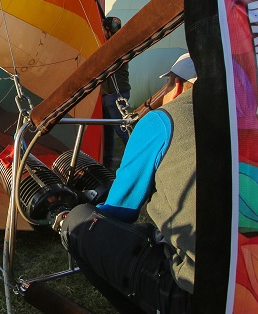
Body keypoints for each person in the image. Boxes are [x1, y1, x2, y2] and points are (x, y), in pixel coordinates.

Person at [55, 53, 198, 314]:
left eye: (166, 85)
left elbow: (120, 211)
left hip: (195, 293)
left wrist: (75, 211)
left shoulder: (162, 120)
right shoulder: (249, 116)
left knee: (79, 223)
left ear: (175, 86)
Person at [100, 16, 130, 168]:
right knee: (109, 132)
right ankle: (107, 163)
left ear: (106, 30)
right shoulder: (121, 41)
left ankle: (138, 160)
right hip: (110, 95)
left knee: (123, 130)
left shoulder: (113, 46)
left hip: (115, 96)